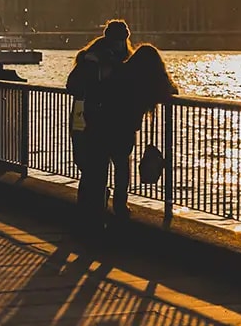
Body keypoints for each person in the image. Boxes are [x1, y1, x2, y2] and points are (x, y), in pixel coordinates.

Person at [91, 43, 178, 222]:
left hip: (104, 122)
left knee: (101, 166)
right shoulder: (149, 80)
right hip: (125, 129)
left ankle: (97, 204)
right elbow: (171, 90)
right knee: (122, 167)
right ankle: (119, 205)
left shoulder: (122, 71)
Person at [65, 21, 133, 225]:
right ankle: (113, 207)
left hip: (94, 122)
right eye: (121, 40)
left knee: (95, 169)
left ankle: (94, 210)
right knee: (115, 166)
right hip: (106, 122)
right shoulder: (100, 61)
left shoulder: (91, 57)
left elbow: (73, 86)